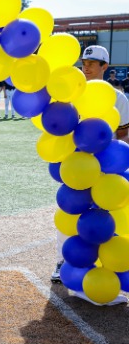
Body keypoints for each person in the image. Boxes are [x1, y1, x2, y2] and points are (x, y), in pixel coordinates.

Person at [51, 45, 129, 305]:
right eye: (84, 62)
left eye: (93, 63)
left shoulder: (117, 98)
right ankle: (64, 262)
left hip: (106, 168)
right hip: (76, 166)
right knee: (70, 211)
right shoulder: (71, 93)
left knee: (105, 218)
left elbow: (124, 134)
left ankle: (108, 269)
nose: (86, 67)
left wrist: (115, 161)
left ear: (105, 67)